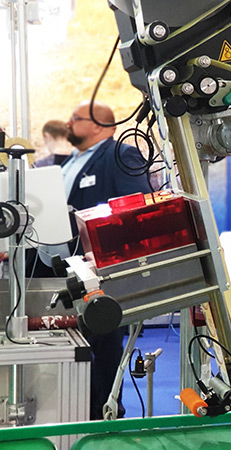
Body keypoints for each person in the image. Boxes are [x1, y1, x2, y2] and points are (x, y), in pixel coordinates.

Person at [55, 100, 150, 420]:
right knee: (78, 346)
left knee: (103, 346)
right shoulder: (70, 161)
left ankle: (104, 414)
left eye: (75, 118)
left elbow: (135, 211)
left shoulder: (120, 155)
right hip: (66, 271)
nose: (68, 123)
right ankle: (75, 412)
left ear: (98, 125)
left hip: (101, 274)